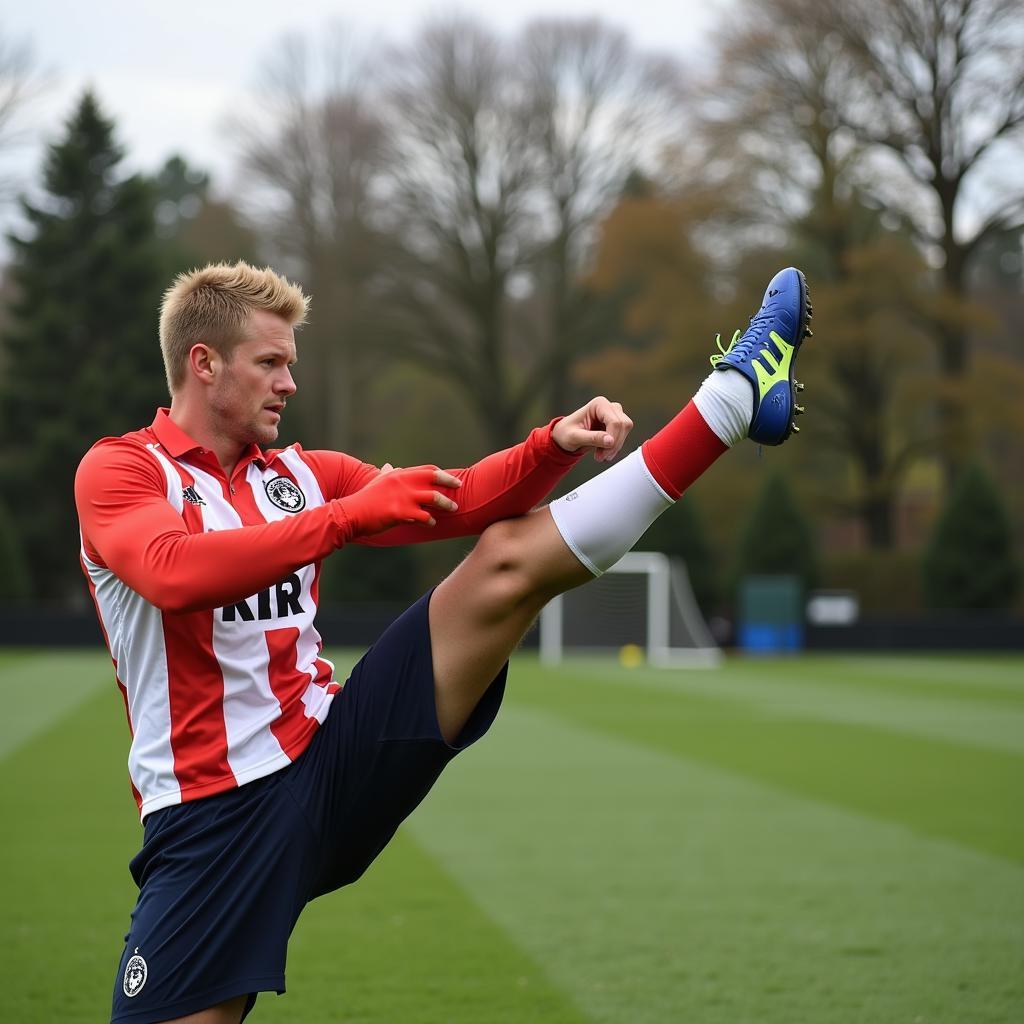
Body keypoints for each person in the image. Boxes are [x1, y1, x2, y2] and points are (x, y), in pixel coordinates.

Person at [75, 260, 813, 1024]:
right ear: (203, 363)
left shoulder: (299, 473)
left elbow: (456, 502)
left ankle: (730, 401)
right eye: (270, 363)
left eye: (290, 365)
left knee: (503, 565)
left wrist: (550, 446)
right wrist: (349, 517)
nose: (289, 384)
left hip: (332, 758)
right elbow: (170, 572)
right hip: (211, 818)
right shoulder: (121, 469)